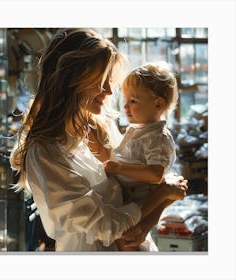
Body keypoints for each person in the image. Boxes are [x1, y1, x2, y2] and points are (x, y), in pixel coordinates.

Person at [10, 28, 187, 252]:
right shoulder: (45, 152)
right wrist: (162, 194)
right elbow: (107, 227)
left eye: (109, 81)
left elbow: (142, 186)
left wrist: (148, 221)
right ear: (72, 80)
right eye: (101, 81)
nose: (109, 92)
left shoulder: (101, 126)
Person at [103, 62, 180, 250]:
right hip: (130, 196)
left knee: (131, 242)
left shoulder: (157, 137)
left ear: (158, 103)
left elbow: (156, 174)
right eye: (126, 100)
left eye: (133, 101)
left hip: (140, 199)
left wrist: (119, 168)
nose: (125, 106)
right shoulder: (141, 131)